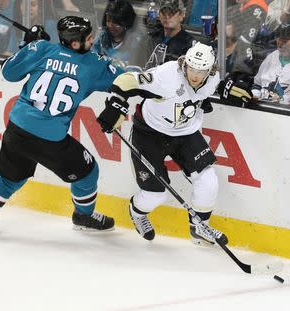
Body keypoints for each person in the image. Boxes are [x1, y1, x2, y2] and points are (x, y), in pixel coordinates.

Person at [0, 16, 125, 232]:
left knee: (11, 178)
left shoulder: (41, 48)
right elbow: (125, 81)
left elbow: (7, 72)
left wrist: (28, 45)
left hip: (17, 128)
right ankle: (83, 216)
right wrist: (119, 101)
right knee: (88, 172)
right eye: (88, 38)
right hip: (50, 139)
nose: (92, 40)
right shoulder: (93, 64)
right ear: (75, 43)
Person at [96, 42, 253, 245]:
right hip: (149, 133)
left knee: (208, 181)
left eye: (202, 70)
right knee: (155, 195)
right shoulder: (166, 76)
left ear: (210, 70)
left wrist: (226, 89)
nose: (195, 75)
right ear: (184, 64)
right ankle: (137, 212)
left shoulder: (212, 78)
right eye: (191, 68)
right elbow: (127, 80)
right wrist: (115, 106)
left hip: (185, 133)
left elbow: (208, 90)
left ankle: (199, 227)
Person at [252, 20, 290, 104]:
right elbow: (257, 85)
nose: (280, 43)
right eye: (278, 37)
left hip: (286, 114)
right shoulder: (272, 56)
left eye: (285, 39)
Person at [92, 0, 153, 71]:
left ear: (127, 22)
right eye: (108, 21)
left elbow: (138, 69)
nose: (110, 26)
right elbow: (92, 55)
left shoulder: (138, 42)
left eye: (116, 23)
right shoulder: (102, 36)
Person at [144, 0, 196, 70]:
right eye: (164, 12)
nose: (167, 17)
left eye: (172, 13)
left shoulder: (189, 44)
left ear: (181, 15)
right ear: (159, 15)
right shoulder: (151, 37)